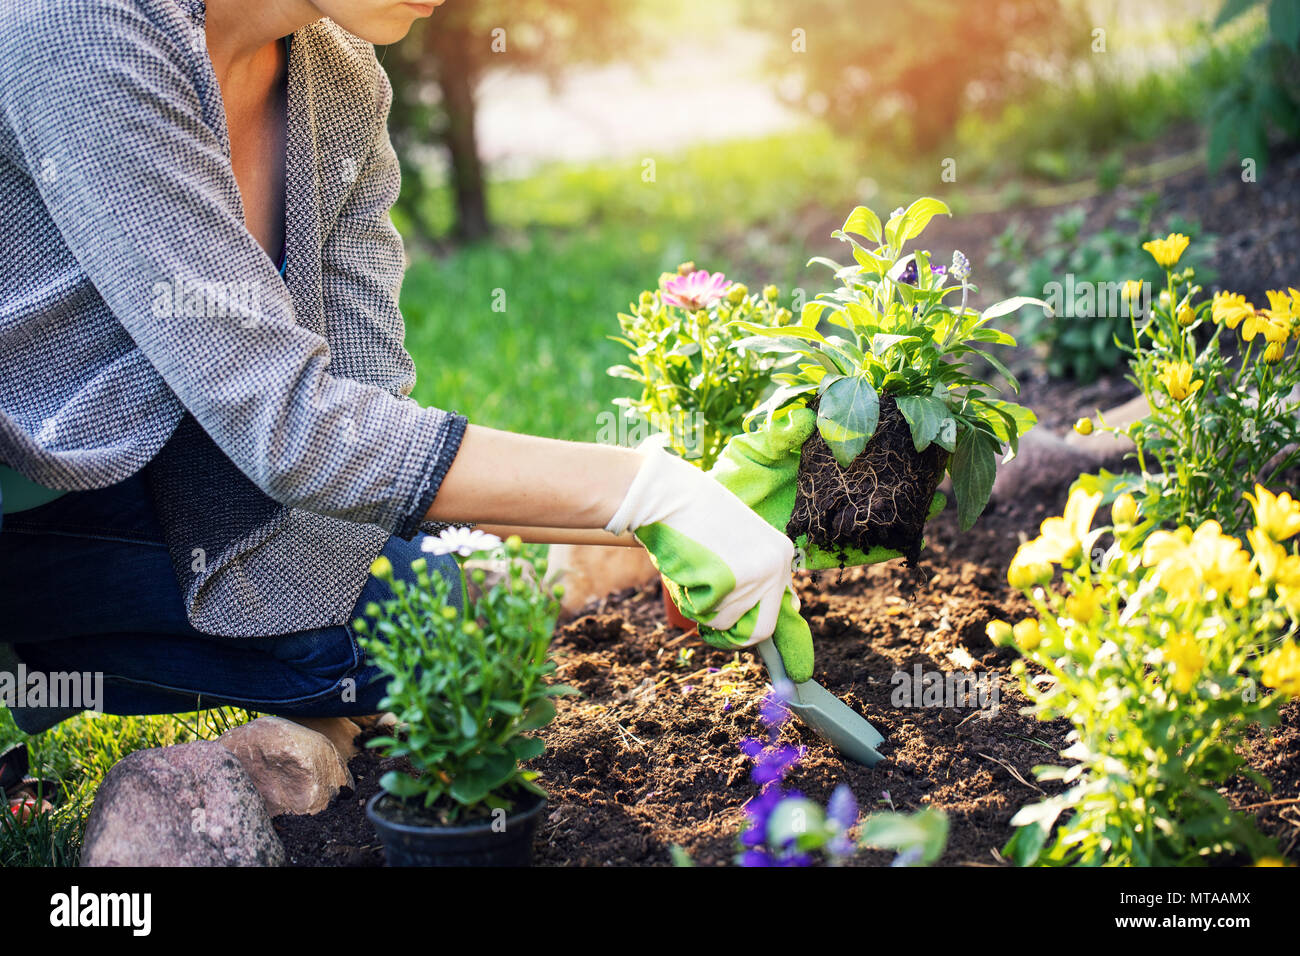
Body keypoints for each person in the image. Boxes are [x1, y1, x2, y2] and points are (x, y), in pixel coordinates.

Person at [0, 0, 803, 736]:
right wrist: (641, 486)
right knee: (362, 646)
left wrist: (668, 515)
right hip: (34, 488)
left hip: (182, 471)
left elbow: (365, 413)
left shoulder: (339, 75)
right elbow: (294, 427)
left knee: (432, 613)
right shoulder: (78, 27)